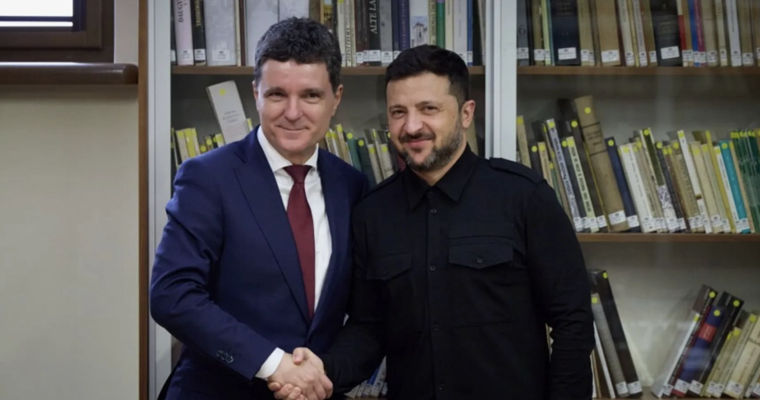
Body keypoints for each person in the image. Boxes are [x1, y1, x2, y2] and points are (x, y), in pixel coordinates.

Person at [272, 45, 595, 400]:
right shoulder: (372, 214)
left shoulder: (523, 197)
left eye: (429, 109)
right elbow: (369, 328)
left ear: (466, 113)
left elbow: (572, 321)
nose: (412, 126)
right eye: (398, 112)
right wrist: (322, 374)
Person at [150, 17, 367, 400]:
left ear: (336, 98)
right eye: (277, 94)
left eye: (311, 96)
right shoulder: (208, 177)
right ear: (256, 94)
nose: (293, 112)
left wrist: (321, 377)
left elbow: (367, 312)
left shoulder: (352, 186)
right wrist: (273, 364)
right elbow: (172, 295)